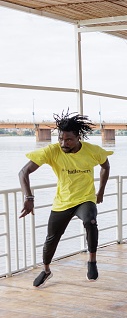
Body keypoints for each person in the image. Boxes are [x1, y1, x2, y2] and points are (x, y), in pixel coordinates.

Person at [19, 112, 112, 288]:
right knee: (51, 238)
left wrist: (100, 192)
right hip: (63, 201)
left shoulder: (93, 151)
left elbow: (105, 166)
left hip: (85, 199)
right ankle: (46, 270)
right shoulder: (52, 151)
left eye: (68, 140)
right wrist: (29, 198)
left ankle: (92, 261)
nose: (63, 143)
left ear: (78, 137)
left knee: (90, 221)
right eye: (61, 139)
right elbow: (23, 172)